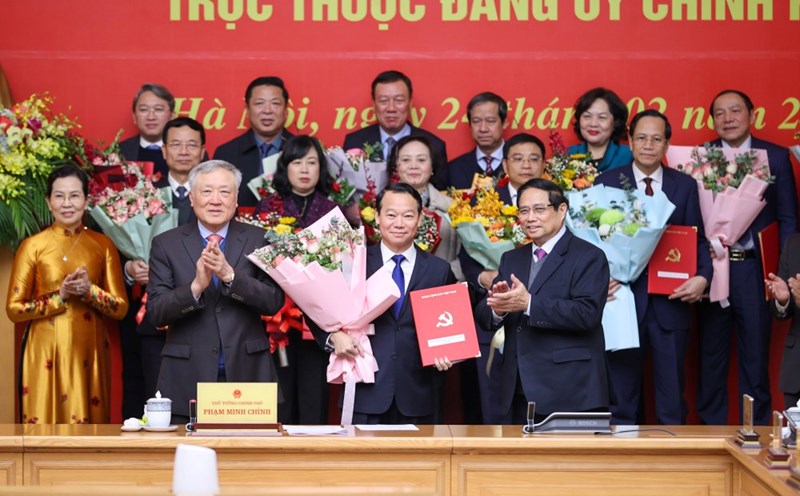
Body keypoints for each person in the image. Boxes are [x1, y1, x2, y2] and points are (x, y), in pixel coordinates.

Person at [595, 109, 712, 425]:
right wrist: (597, 280)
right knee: (621, 394)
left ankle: (674, 468)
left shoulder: (684, 185)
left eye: (656, 139)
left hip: (669, 302)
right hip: (621, 301)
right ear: (630, 141)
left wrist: (703, 276)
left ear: (667, 144)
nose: (648, 145)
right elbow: (592, 243)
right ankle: (619, 466)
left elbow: (696, 237)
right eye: (642, 138)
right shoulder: (605, 183)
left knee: (671, 395)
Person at [146, 160, 285, 424]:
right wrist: (196, 287)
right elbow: (156, 313)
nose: (215, 200)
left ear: (236, 199)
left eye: (224, 191)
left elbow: (273, 302)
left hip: (248, 377)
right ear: (192, 197)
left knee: (248, 462)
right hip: (187, 376)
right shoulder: (166, 244)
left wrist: (231, 277)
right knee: (187, 461)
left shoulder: (260, 239)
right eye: (207, 191)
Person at [310, 183, 457, 424]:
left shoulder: (439, 270)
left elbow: (451, 324)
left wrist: (448, 351)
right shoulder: (354, 263)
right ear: (377, 217)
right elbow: (316, 309)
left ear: (420, 220)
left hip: (418, 394)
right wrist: (333, 336)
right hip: (365, 390)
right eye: (391, 215)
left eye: (408, 216)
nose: (399, 223)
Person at [697, 89, 799, 426]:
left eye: (735, 111)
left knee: (755, 357)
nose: (728, 119)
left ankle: (756, 433)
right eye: (720, 113)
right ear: (712, 120)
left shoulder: (775, 156)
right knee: (711, 357)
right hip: (713, 270)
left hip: (756, 272)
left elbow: (787, 218)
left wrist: (782, 272)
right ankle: (709, 432)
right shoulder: (701, 155)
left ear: (751, 115)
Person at [475, 178, 610, 423]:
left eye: (539, 209)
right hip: (518, 387)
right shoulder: (512, 258)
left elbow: (587, 314)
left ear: (561, 210)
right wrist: (499, 308)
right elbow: (485, 315)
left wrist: (528, 304)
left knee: (568, 462)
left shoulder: (589, 256)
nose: (530, 217)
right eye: (524, 211)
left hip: (569, 388)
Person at [6, 164, 129, 424]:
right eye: (59, 196)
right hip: (44, 350)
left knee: (90, 425)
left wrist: (89, 291)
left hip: (90, 351)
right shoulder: (32, 246)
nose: (67, 203)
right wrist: (59, 296)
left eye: (74, 195)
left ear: (86, 200)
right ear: (49, 202)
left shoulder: (103, 244)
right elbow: (14, 310)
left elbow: (120, 308)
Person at [119, 117, 206, 417]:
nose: (184, 151)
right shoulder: (138, 197)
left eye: (191, 144)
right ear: (164, 151)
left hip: (204, 314)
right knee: (150, 394)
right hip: (152, 315)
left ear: (203, 151)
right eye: (176, 145)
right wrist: (130, 269)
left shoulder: (215, 195)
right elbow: (113, 247)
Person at [252, 135, 338, 425]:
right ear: (284, 167)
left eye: (312, 162)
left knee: (314, 398)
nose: (304, 169)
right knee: (279, 399)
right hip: (276, 319)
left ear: (321, 168)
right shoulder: (267, 210)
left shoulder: (332, 212)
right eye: (297, 161)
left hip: (317, 321)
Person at [343, 70, 448, 189]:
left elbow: (440, 194)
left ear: (410, 103)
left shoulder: (434, 145)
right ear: (373, 104)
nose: (391, 108)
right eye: (383, 101)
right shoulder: (354, 142)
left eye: (399, 101)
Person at [387, 135, 461, 279]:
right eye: (406, 160)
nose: (413, 165)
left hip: (443, 286)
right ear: (396, 167)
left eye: (421, 160)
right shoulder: (377, 207)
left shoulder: (452, 207)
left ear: (432, 166)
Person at [214, 76, 294, 207]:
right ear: (247, 110)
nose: (267, 110)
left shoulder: (303, 152)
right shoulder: (226, 153)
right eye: (259, 103)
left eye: (275, 103)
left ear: (285, 111)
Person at [446, 92, 508, 189]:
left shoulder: (521, 164)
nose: (483, 129)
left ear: (504, 123)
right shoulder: (453, 169)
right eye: (476, 121)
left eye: (490, 121)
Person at [766, 234, 800, 409]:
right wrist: (782, 300)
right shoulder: (793, 244)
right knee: (795, 436)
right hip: (796, 372)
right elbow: (782, 312)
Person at [567, 87, 632, 172]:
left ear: (616, 122)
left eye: (602, 117)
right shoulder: (566, 155)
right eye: (587, 116)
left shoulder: (629, 156)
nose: (593, 124)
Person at [119, 84, 176, 178]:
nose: (151, 117)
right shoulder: (119, 152)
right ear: (134, 117)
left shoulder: (191, 152)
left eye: (158, 110)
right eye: (144, 110)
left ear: (172, 116)